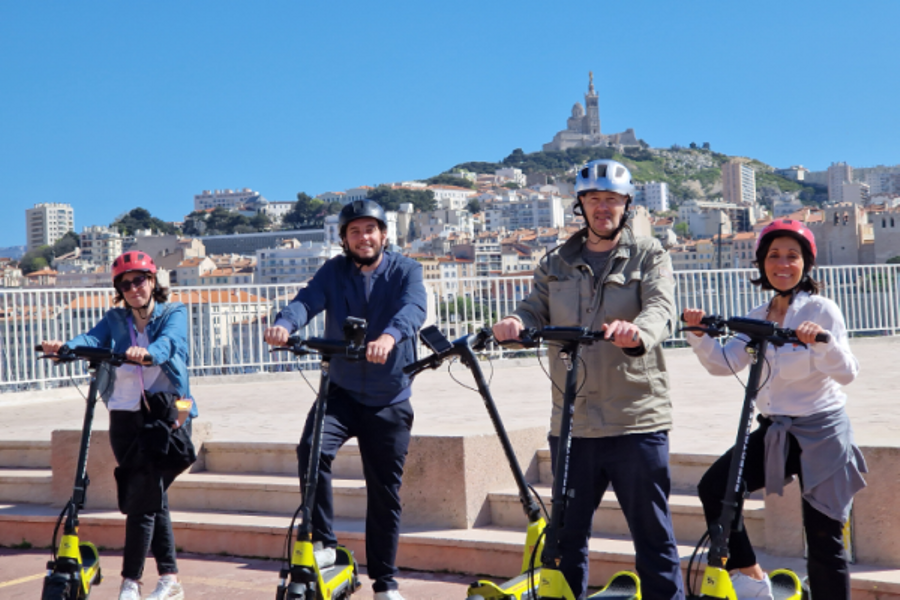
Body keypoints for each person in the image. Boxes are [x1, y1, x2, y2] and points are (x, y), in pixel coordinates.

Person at [492, 159, 685, 600]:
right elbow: (533, 310)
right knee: (564, 542)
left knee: (654, 540)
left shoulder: (649, 254)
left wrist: (638, 332)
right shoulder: (556, 262)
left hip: (635, 418)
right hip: (573, 423)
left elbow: (662, 308)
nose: (603, 208)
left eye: (612, 200)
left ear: (626, 205)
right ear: (580, 205)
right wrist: (512, 323)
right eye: (594, 199)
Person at [683, 219, 866, 600]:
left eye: (792, 256)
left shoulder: (822, 309)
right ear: (761, 263)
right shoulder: (757, 313)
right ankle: (750, 577)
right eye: (774, 256)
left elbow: (847, 373)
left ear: (807, 264)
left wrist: (820, 343)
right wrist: (699, 335)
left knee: (823, 538)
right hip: (775, 430)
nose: (782, 264)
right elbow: (725, 363)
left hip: (823, 433)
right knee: (716, 489)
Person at [264, 199, 426, 600]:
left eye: (370, 229)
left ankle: (385, 585)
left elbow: (413, 308)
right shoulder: (334, 271)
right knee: (311, 450)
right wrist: (284, 324)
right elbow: (307, 299)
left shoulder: (407, 270)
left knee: (384, 492)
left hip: (389, 396)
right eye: (354, 231)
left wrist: (389, 337)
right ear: (344, 239)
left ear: (384, 234)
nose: (363, 237)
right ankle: (324, 544)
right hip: (342, 389)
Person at [42, 251, 196, 600]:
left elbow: (170, 343)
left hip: (168, 414)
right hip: (123, 415)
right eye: (125, 284)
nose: (133, 288)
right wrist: (64, 348)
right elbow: (92, 339)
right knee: (151, 494)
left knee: (142, 495)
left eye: (139, 280)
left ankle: (131, 582)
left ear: (153, 282)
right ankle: (169, 579)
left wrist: (149, 352)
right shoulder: (116, 319)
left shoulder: (174, 312)